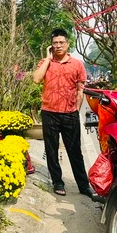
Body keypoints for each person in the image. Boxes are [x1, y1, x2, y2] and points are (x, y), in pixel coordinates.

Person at [33, 28, 96, 199]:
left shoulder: (77, 64)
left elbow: (80, 90)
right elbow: (36, 79)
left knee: (75, 151)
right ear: (51, 45)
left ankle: (83, 185)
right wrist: (47, 58)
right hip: (49, 112)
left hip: (69, 114)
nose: (58, 46)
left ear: (68, 44)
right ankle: (58, 182)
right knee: (51, 150)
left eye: (61, 43)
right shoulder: (46, 63)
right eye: (55, 43)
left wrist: (75, 109)